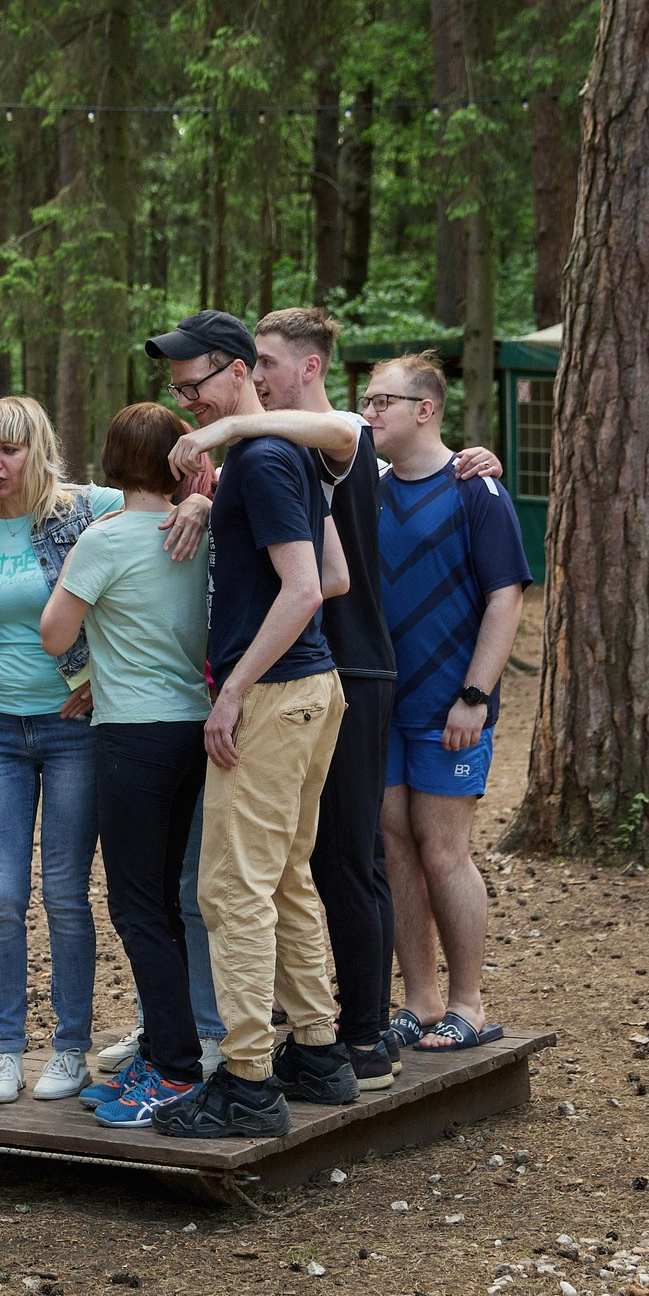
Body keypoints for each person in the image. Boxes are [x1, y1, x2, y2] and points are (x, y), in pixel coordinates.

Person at [167, 311, 508, 1090]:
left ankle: (360, 1036)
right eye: (249, 362)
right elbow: (329, 551)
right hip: (319, 667)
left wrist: (223, 439)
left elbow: (323, 565)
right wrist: (201, 496)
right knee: (325, 858)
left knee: (348, 859)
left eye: (268, 362)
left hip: (337, 669)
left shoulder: (336, 435)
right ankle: (339, 1028)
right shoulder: (306, 456)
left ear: (307, 368)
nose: (257, 374)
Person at [0, 395, 204, 1106]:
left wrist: (201, 505)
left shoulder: (84, 509)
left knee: (66, 893)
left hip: (77, 725)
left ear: (38, 451)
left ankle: (71, 1048)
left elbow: (171, 477)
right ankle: (6, 1050)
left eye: (10, 449)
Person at [140, 314, 351, 1139]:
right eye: (175, 387)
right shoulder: (278, 455)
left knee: (229, 892)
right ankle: (322, 1053)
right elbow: (332, 574)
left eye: (195, 385)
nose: (184, 400)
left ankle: (249, 1081)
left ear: (237, 374)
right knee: (288, 878)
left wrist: (233, 689)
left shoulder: (262, 456)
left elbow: (305, 589)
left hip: (273, 699)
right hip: (313, 692)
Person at [36, 403, 218, 1125]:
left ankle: (173, 1066)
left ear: (111, 462)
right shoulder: (196, 530)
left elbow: (55, 635)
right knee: (170, 899)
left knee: (136, 905)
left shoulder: (102, 539)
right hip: (194, 729)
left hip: (132, 736)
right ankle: (172, 1045)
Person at [363, 353, 531, 1052]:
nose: (367, 413)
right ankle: (421, 999)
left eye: (381, 402)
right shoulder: (364, 487)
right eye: (365, 402)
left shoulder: (475, 490)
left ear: (424, 409)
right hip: (380, 705)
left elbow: (506, 597)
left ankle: (467, 1001)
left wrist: (474, 694)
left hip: (449, 707)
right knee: (396, 845)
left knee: (443, 849)